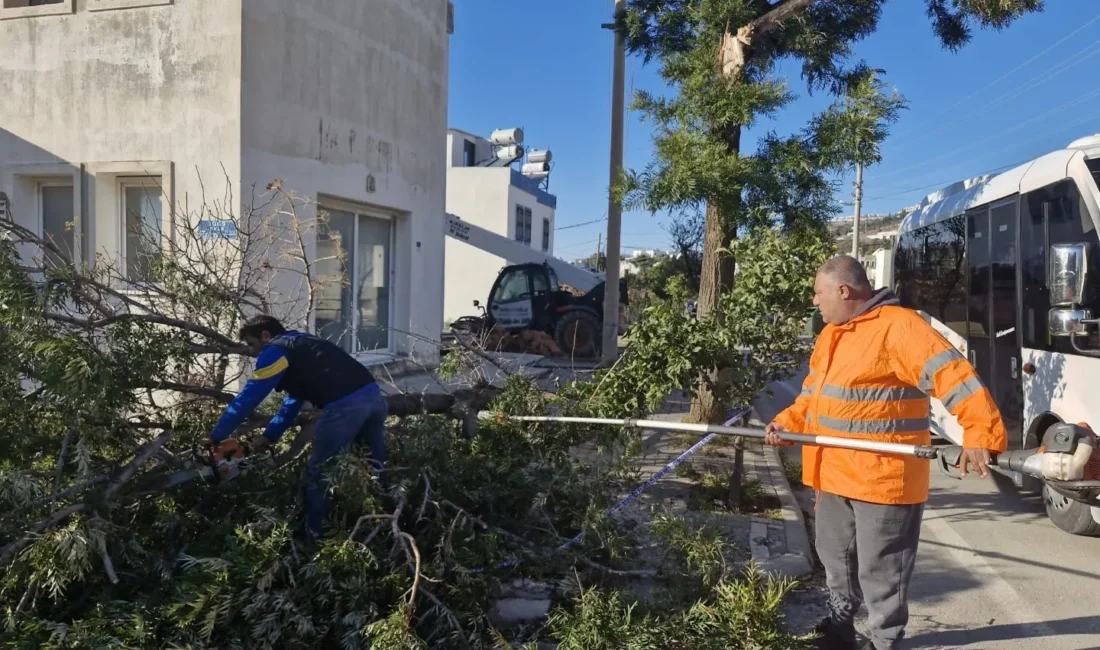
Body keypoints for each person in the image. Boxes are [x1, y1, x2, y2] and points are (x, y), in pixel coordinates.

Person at [764, 256, 1006, 650]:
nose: (814, 301)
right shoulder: (831, 334)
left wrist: (979, 433)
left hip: (884, 478)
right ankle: (841, 627)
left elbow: (955, 376)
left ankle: (885, 641)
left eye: (818, 293)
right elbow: (812, 395)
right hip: (832, 471)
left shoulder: (901, 328)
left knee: (883, 571)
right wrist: (788, 424)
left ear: (844, 291)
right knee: (834, 558)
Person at [206, 315, 389, 539]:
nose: (253, 353)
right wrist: (270, 436)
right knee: (373, 465)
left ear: (265, 335)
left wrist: (216, 436)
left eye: (253, 345)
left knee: (318, 474)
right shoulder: (303, 342)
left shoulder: (275, 350)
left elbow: (248, 398)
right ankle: (383, 525)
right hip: (375, 398)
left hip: (345, 407)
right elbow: (294, 400)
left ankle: (317, 538)